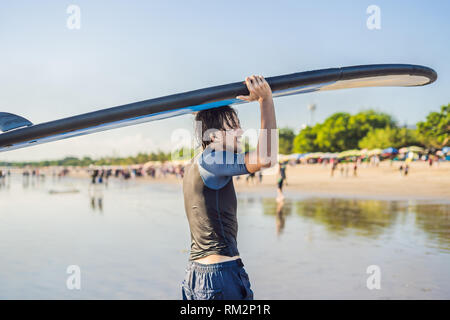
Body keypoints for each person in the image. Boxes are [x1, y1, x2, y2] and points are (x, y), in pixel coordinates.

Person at [181, 75, 277, 300]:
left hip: (195, 276)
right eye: (233, 126)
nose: (241, 132)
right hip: (219, 278)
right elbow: (266, 158)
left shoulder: (195, 163)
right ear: (214, 136)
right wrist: (266, 101)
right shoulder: (212, 159)